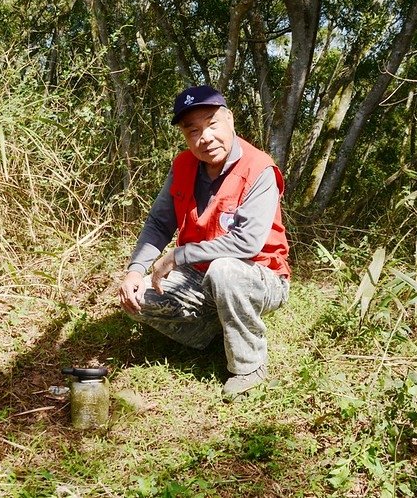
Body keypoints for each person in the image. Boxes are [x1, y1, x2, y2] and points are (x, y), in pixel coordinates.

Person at [118, 85, 291, 399]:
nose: (205, 137)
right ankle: (214, 334)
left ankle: (248, 368)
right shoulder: (183, 165)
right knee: (136, 298)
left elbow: (247, 244)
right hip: (199, 274)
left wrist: (179, 254)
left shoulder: (259, 169)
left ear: (229, 119)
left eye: (212, 124)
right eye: (193, 130)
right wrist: (134, 271)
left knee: (225, 271)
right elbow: (159, 222)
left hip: (258, 275)